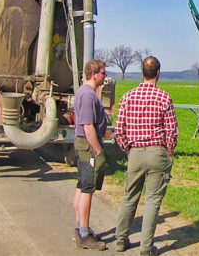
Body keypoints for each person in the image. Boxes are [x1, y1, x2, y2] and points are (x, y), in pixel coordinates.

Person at [114, 56, 178, 256]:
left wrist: (128, 149)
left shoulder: (128, 97)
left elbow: (119, 129)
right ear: (157, 73)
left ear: (143, 72)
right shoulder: (164, 97)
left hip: (135, 152)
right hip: (157, 151)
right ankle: (145, 248)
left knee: (130, 197)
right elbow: (172, 130)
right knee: (152, 201)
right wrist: (169, 151)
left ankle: (120, 240)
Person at [72, 59, 109, 250]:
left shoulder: (85, 92)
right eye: (103, 73)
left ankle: (80, 228)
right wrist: (98, 150)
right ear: (94, 74)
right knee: (88, 188)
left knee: (81, 185)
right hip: (88, 147)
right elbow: (88, 126)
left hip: (83, 146)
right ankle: (84, 235)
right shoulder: (87, 95)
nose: (105, 76)